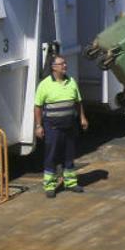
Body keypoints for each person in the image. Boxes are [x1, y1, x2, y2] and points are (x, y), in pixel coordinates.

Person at [34, 56, 88, 198]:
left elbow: (78, 102)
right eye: (61, 64)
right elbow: (38, 106)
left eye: (65, 63)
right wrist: (39, 125)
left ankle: (70, 183)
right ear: (54, 67)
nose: (65, 65)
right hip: (52, 127)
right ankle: (50, 186)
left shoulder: (71, 82)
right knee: (51, 155)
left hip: (70, 126)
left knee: (69, 155)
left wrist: (82, 117)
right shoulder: (44, 84)